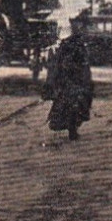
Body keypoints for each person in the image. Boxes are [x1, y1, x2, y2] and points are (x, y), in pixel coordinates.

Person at [46, 12, 95, 141]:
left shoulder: (74, 39)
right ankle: (71, 128)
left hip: (72, 73)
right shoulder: (72, 40)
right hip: (71, 73)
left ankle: (72, 127)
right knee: (72, 101)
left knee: (73, 101)